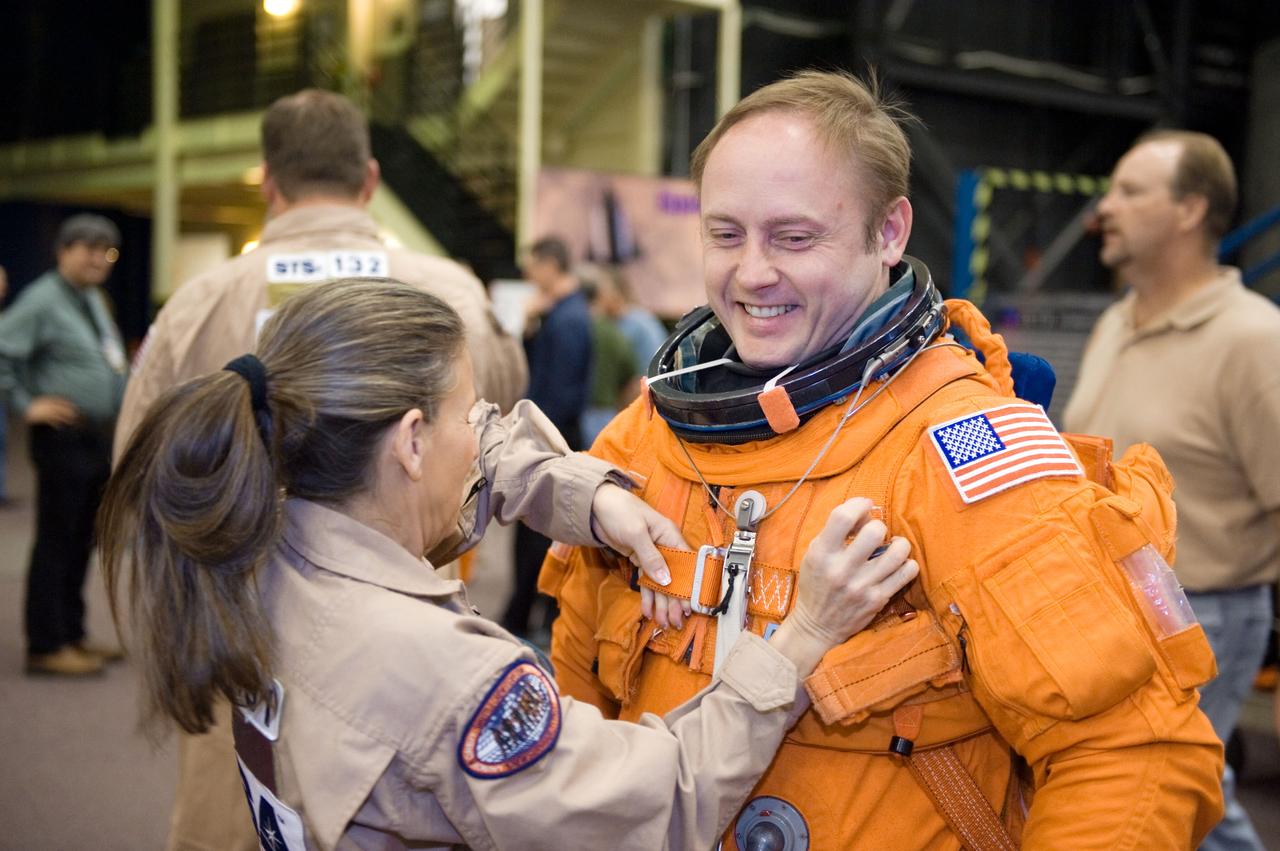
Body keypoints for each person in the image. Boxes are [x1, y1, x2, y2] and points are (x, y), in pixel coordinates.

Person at [544, 71, 1225, 849]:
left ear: (890, 231)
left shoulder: (963, 449)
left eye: (795, 238)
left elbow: (1133, 749)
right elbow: (580, 704)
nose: (752, 273)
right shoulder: (648, 434)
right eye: (725, 234)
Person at [99, 279, 918, 850]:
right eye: (464, 411)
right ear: (411, 441)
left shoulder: (258, 540)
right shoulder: (448, 675)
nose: (480, 428)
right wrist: (803, 635)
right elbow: (661, 802)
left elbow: (487, 448)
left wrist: (586, 497)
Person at [113, 88, 528, 851]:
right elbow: (502, 456)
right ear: (369, 179)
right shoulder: (454, 294)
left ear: (268, 181)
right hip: (418, 663)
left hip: (243, 646)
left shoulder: (199, 306)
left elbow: (137, 491)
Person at [1064, 130, 1280, 851]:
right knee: (1170, 794)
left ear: (1191, 209)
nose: (1106, 207)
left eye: (1130, 191)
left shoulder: (1254, 340)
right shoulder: (1114, 322)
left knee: (1173, 793)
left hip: (1201, 614)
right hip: (1107, 609)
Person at [0, 214, 128, 677]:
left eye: (106, 251)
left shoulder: (91, 298)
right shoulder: (41, 301)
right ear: (63, 251)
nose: (97, 258)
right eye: (87, 248)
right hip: (62, 439)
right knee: (57, 541)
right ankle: (46, 644)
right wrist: (25, 404)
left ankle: (72, 634)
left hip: (94, 439)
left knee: (80, 540)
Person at [502, 236, 593, 638]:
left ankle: (530, 615)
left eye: (533, 265)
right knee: (532, 530)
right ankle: (525, 613)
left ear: (550, 266)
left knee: (539, 532)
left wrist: (537, 441)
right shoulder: (560, 314)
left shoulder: (571, 319)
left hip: (551, 438)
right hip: (546, 434)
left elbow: (559, 392)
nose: (528, 274)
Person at [581, 277, 641, 448]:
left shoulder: (585, 328)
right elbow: (630, 372)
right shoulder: (612, 331)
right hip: (608, 410)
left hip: (586, 409)